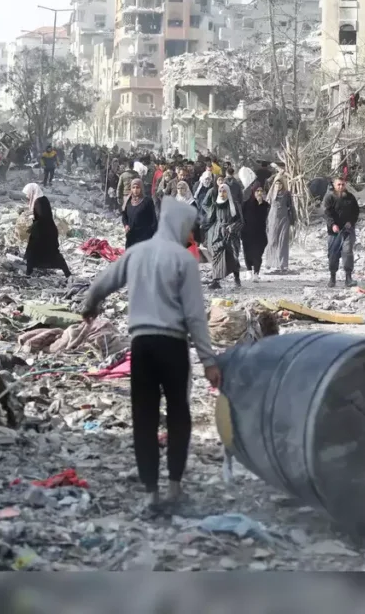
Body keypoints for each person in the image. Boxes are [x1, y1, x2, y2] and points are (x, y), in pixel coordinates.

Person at [80, 200, 220, 512]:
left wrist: (89, 305)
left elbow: (102, 282)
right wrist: (209, 361)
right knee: (178, 415)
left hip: (141, 345)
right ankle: (174, 486)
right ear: (181, 225)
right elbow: (195, 316)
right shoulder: (184, 260)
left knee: (144, 417)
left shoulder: (137, 253)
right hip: (172, 346)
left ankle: (151, 492)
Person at [322, 176, 359, 288]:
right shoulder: (329, 198)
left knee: (347, 252)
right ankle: (332, 278)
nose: (341, 187)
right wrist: (332, 224)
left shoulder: (350, 197)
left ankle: (348, 277)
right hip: (334, 232)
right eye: (339, 184)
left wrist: (351, 222)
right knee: (333, 254)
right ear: (334, 185)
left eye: (343, 184)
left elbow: (356, 212)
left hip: (347, 230)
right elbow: (326, 213)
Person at [24, 196, 72, 278]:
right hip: (40, 256)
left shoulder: (44, 224)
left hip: (47, 255)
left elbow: (52, 242)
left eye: (38, 207)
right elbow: (32, 243)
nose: (36, 209)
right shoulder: (41, 224)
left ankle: (68, 275)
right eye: (36, 206)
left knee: (59, 259)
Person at [205, 184, 242, 290]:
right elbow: (210, 220)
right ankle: (216, 281)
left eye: (224, 191)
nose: (222, 193)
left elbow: (241, 221)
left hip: (231, 235)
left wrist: (232, 227)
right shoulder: (215, 205)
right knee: (217, 255)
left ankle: (237, 278)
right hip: (218, 234)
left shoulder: (234, 205)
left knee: (233, 257)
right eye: (220, 191)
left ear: (228, 192)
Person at [264, 175, 295, 272]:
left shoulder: (287, 194)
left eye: (280, 183)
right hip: (272, 219)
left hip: (284, 220)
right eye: (277, 183)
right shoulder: (271, 193)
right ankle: (270, 262)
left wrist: (292, 220)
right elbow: (266, 206)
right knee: (272, 240)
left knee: (282, 242)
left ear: (283, 184)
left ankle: (282, 264)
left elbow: (291, 207)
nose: (278, 185)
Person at [241, 185, 271, 282]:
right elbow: (241, 218)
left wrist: (260, 204)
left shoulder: (266, 205)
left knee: (258, 253)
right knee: (247, 253)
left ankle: (256, 273)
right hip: (247, 233)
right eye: (257, 191)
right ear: (253, 192)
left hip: (260, 234)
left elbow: (266, 218)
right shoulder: (246, 204)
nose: (259, 193)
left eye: (261, 191)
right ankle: (249, 271)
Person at [122, 178, 158, 249]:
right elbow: (124, 215)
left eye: (137, 187)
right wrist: (126, 225)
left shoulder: (147, 201)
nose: (135, 190)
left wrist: (151, 234)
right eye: (133, 187)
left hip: (144, 237)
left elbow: (153, 220)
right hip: (131, 236)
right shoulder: (128, 201)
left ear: (141, 188)